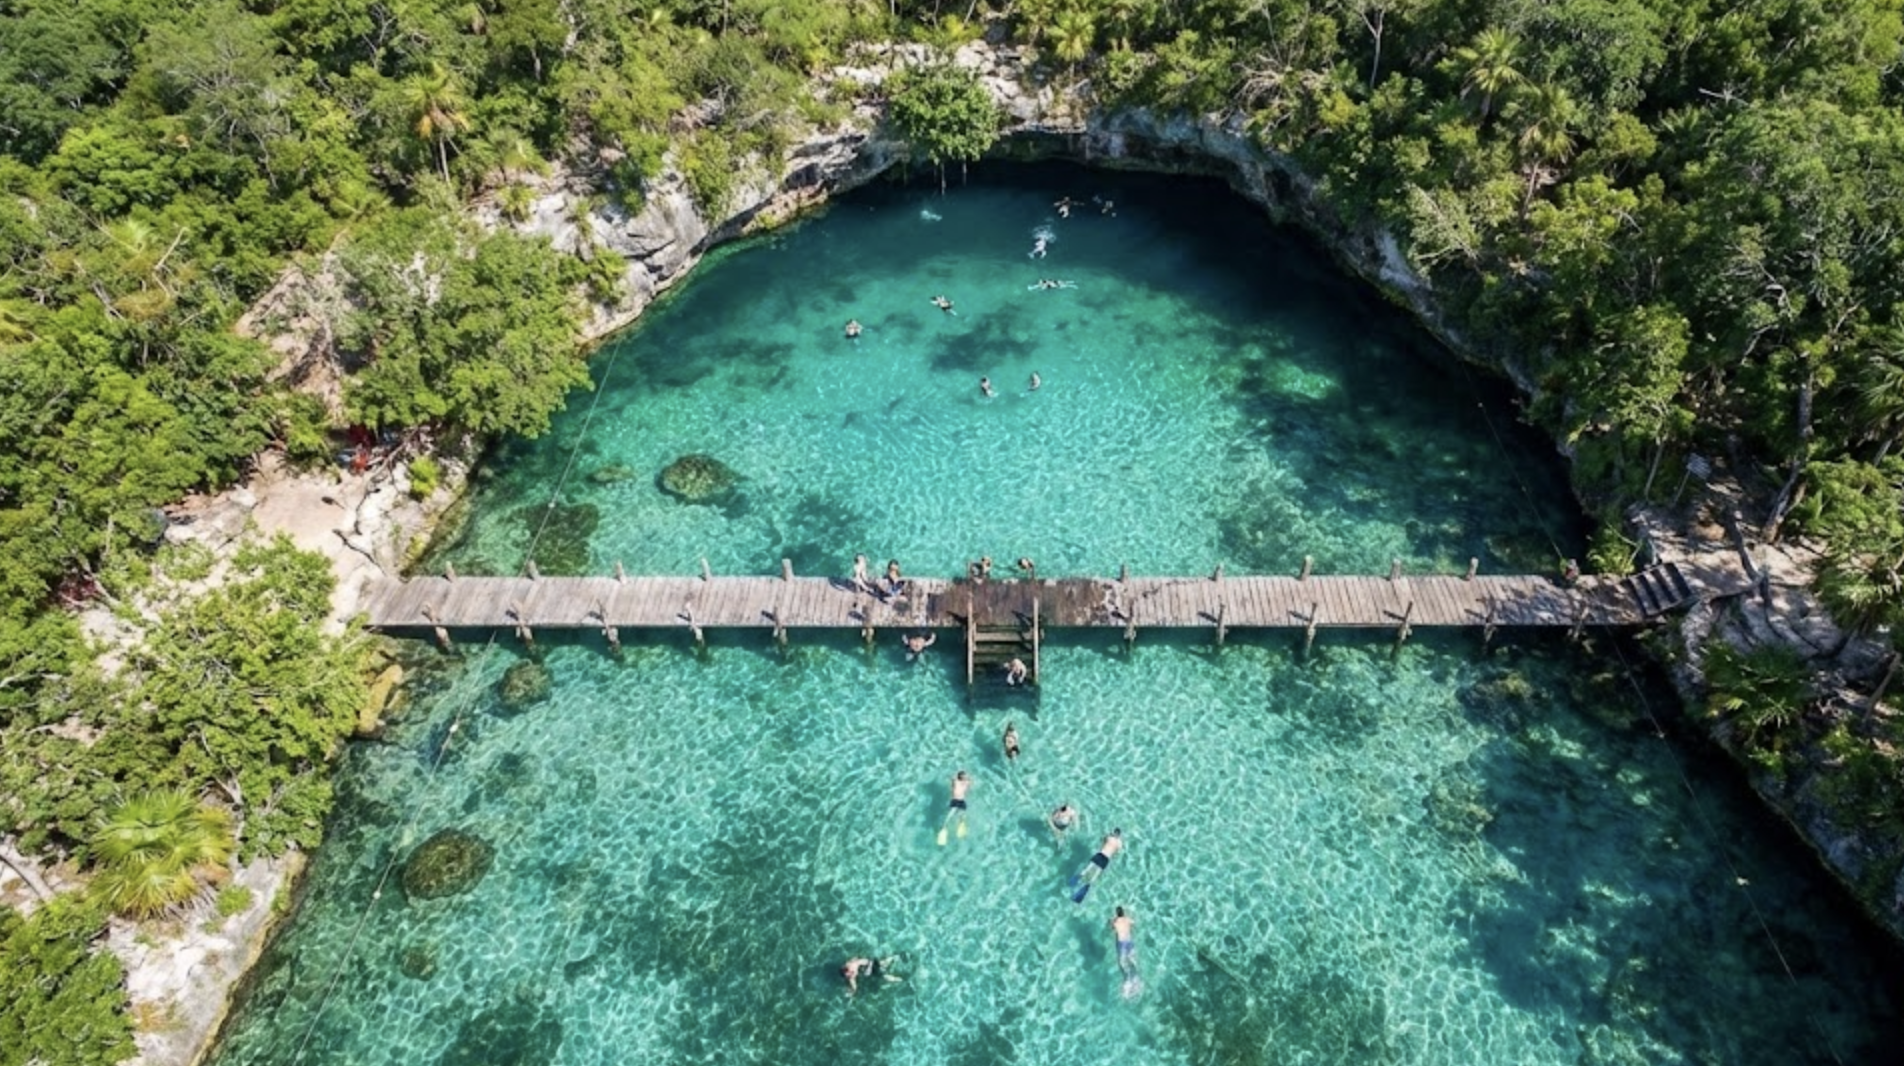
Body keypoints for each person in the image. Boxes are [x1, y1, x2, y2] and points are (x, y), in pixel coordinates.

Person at [938, 770, 972, 844]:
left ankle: (960, 824)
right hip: (955, 801)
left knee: (961, 814)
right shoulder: (959, 782)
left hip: (961, 801)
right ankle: (944, 828)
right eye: (964, 777)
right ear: (962, 777)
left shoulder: (962, 782)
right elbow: (955, 778)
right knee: (951, 815)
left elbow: (953, 778)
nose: (965, 778)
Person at [1111, 907, 1137, 976]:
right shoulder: (1128, 919)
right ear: (1123, 912)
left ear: (1116, 914)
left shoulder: (1115, 922)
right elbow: (1134, 923)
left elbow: (1112, 928)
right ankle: (1136, 974)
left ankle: (1126, 976)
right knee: (1132, 959)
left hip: (1121, 943)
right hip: (1129, 941)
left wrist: (1113, 920)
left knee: (1122, 962)